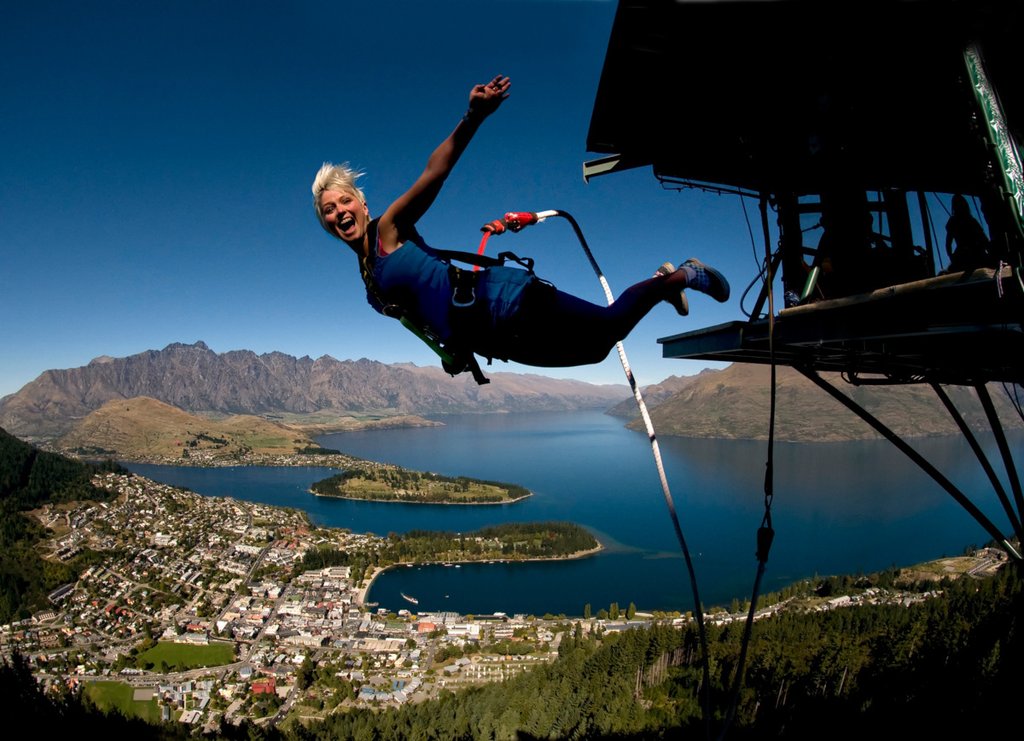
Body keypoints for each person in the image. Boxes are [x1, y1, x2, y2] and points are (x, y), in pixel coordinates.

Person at [312, 76, 729, 379]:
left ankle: (678, 276)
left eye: (345, 200)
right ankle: (664, 284)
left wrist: (472, 117)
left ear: (362, 204)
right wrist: (448, 349)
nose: (340, 212)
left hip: (502, 301)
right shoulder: (369, 278)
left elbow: (433, 174)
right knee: (596, 353)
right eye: (329, 210)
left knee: (606, 329)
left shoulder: (389, 230)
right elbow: (419, 314)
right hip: (490, 337)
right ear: (325, 223)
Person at [944, 194, 991, 273]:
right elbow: (948, 243)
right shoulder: (954, 221)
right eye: (957, 204)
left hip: (977, 253)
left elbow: (983, 238)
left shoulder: (971, 221)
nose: (959, 206)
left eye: (960, 203)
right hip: (963, 255)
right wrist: (952, 257)